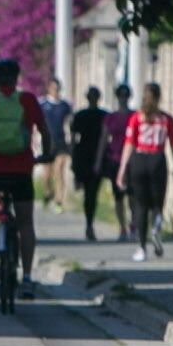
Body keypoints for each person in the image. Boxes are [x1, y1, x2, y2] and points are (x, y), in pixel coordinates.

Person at [0, 57, 48, 269]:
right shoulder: (28, 101)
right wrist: (47, 155)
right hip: (21, 170)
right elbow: (45, 132)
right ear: (16, 78)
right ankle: (28, 278)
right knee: (25, 224)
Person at [115, 81, 173, 258]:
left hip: (139, 161)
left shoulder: (136, 118)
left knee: (140, 205)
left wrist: (122, 170)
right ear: (159, 98)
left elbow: (129, 144)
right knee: (158, 202)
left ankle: (142, 247)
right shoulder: (166, 119)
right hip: (157, 160)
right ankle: (156, 225)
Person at [66, 86, 111, 241]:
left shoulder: (82, 115)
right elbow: (72, 138)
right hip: (89, 156)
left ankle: (89, 223)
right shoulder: (101, 115)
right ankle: (89, 223)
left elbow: (72, 140)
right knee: (91, 193)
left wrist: (72, 158)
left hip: (87, 155)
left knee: (90, 193)